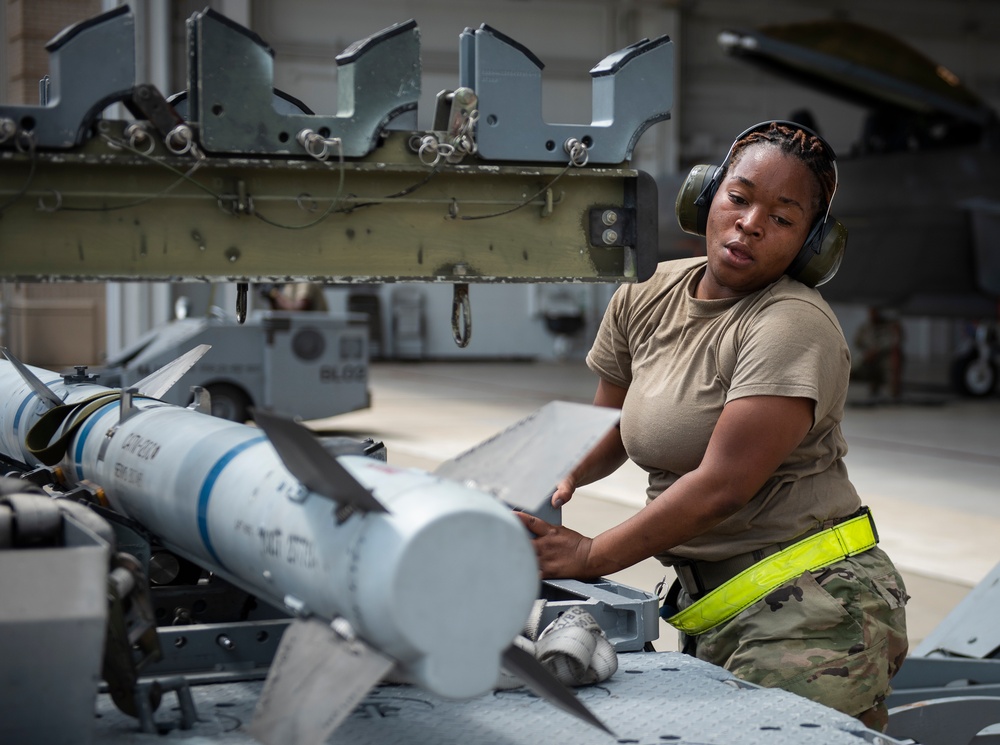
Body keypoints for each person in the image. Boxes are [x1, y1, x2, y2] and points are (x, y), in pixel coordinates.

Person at [516, 121, 908, 731]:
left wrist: (591, 554)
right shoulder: (648, 291)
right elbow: (610, 423)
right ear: (706, 198)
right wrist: (552, 475)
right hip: (718, 604)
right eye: (739, 197)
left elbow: (724, 484)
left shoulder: (791, 325)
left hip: (813, 611)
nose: (751, 223)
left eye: (783, 218)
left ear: (810, 245)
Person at [258, 282, 328, 312]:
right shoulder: (289, 285)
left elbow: (300, 309)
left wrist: (275, 295)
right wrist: (272, 300)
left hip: (316, 333)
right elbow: (284, 311)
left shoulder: (306, 279)